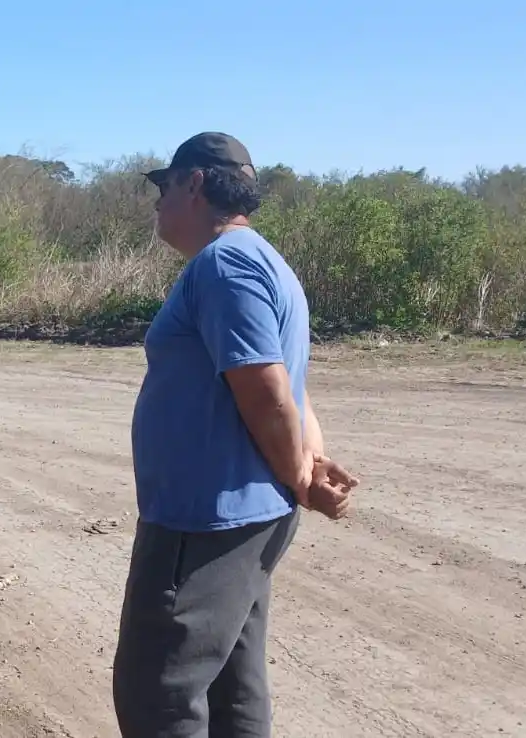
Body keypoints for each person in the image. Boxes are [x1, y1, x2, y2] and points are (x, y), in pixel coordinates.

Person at [112, 131, 360, 737]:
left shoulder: (225, 263)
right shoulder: (261, 261)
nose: (157, 202)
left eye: (164, 186)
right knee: (231, 689)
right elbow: (292, 390)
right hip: (237, 519)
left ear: (195, 183)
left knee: (158, 692)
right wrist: (311, 460)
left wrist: (302, 473)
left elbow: (268, 389)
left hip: (204, 526)